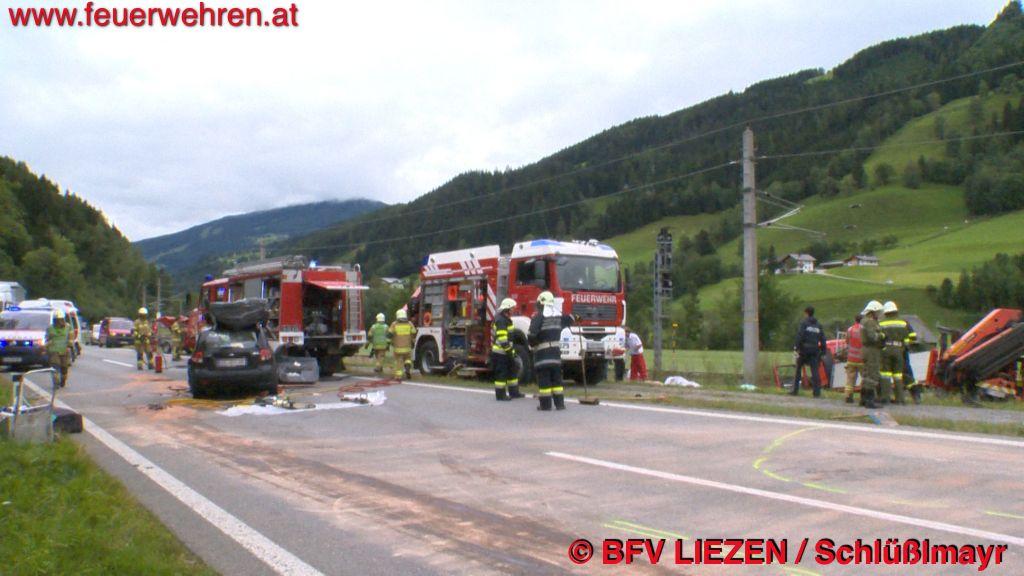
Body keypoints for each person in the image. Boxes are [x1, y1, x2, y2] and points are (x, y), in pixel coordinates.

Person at [529, 291, 572, 411]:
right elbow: (570, 319)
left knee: (544, 383)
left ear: (541, 304)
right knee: (557, 382)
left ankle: (545, 405)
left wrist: (533, 344)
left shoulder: (538, 317)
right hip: (556, 356)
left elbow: (532, 335)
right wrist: (577, 318)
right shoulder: (558, 316)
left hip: (543, 356)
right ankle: (560, 404)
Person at [879, 301, 911, 405]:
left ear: (886, 312)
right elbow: (907, 339)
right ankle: (900, 399)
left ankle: (885, 398)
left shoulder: (882, 323)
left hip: (886, 349)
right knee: (898, 375)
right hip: (899, 350)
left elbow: (879, 338)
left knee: (885, 375)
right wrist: (904, 348)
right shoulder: (903, 323)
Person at [492, 298, 524, 401]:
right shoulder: (501, 320)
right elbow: (502, 339)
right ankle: (500, 395)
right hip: (501, 352)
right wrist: (509, 351)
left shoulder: (505, 319)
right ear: (508, 309)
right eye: (512, 308)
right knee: (502, 374)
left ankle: (514, 392)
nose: (514, 310)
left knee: (512, 372)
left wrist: (511, 352)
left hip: (506, 351)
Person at [791, 306, 827, 397]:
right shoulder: (818, 325)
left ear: (806, 313)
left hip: (804, 350)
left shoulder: (804, 323)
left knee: (798, 369)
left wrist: (796, 346)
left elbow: (800, 335)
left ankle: (795, 390)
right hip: (814, 350)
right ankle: (817, 392)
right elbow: (823, 339)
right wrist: (823, 350)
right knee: (815, 371)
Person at [859, 300, 884, 409]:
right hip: (871, 350)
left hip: (866, 349)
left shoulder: (864, 321)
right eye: (878, 312)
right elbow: (872, 336)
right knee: (872, 374)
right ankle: (870, 400)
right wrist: (882, 336)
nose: (879, 314)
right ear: (873, 311)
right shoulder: (870, 322)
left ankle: (863, 399)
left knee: (866, 373)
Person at [388, 308, 417, 380]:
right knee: (408, 358)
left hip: (397, 348)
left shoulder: (394, 324)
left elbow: (389, 334)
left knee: (398, 361)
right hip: (407, 347)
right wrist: (411, 339)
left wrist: (390, 341)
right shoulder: (409, 323)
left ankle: (398, 376)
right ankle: (407, 367)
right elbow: (414, 332)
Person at [46, 309, 72, 388]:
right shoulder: (50, 328)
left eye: (60, 320)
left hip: (64, 350)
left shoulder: (68, 327)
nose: (59, 322)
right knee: (55, 366)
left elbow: (71, 337)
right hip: (54, 351)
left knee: (64, 367)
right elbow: (47, 338)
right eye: (57, 320)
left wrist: (69, 346)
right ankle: (56, 382)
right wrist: (46, 346)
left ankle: (63, 380)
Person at [843, 314, 864, 404]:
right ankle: (863, 396)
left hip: (851, 358)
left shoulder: (850, 329)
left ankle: (848, 396)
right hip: (862, 359)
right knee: (864, 378)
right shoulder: (864, 329)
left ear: (855, 320)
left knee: (850, 379)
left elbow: (847, 341)